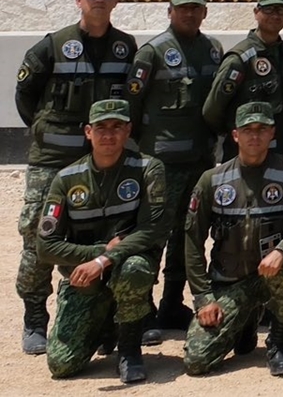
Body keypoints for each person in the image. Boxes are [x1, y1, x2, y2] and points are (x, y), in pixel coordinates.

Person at [14, 0, 137, 356]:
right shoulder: (52, 46)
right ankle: (35, 318)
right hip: (52, 158)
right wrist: (47, 132)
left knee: (105, 232)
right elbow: (25, 96)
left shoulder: (126, 47)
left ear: (116, 0)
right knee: (40, 232)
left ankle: (104, 318)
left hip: (103, 158)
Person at [180, 102, 283, 377]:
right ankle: (244, 320)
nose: (254, 136)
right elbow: (192, 241)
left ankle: (278, 342)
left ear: (272, 133)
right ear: (235, 135)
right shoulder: (212, 180)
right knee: (197, 362)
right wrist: (202, 298)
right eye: (247, 130)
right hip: (229, 282)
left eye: (261, 129)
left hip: (270, 274)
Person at [38, 99, 166, 383]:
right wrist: (96, 253)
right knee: (62, 365)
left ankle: (130, 350)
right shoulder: (66, 179)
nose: (108, 134)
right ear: (87, 132)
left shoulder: (147, 169)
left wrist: (106, 259)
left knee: (133, 268)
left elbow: (154, 229)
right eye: (101, 127)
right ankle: (106, 324)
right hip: (85, 279)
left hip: (127, 268)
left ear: (128, 130)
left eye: (116, 126)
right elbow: (45, 246)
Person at [126, 0, 226, 341]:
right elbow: (132, 107)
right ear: (169, 11)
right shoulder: (151, 53)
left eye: (195, 7)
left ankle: (172, 303)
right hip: (161, 163)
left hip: (199, 162)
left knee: (189, 236)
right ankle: (144, 311)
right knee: (153, 235)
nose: (188, 12)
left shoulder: (213, 50)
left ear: (204, 12)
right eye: (182, 7)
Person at [203, 0, 283, 158]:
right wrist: (239, 136)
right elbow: (212, 110)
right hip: (248, 155)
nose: (275, 15)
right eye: (268, 9)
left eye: (281, 10)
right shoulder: (240, 58)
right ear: (256, 12)